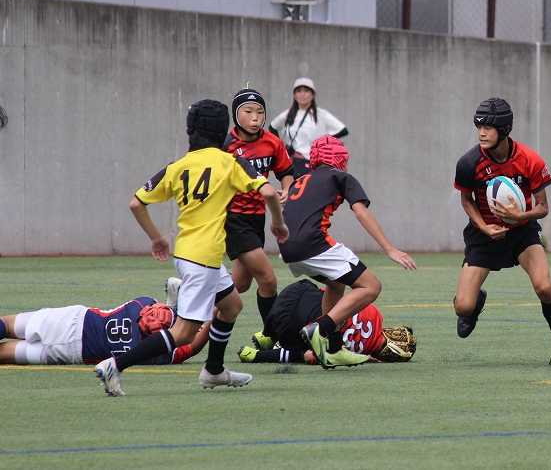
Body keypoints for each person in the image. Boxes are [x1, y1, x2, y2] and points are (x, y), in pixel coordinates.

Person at [93, 100, 289, 397]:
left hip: (187, 253)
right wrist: (278, 224)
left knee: (232, 305)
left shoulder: (178, 166)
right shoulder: (231, 162)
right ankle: (115, 365)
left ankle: (214, 371)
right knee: (184, 333)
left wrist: (156, 238)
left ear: (191, 131)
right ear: (223, 130)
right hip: (203, 260)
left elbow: (136, 203)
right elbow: (269, 193)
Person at [452, 98, 551, 367]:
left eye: (488, 127)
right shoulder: (468, 163)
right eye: (479, 127)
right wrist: (485, 227)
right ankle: (475, 302)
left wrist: (520, 217)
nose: (481, 133)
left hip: (522, 233)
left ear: (504, 129)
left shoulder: (530, 160)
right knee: (463, 306)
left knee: (545, 288)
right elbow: (466, 200)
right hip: (484, 236)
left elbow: (543, 207)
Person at [279, 135, 416, 369]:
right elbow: (361, 212)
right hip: (313, 243)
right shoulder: (341, 177)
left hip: (287, 249)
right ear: (339, 158)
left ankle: (333, 349)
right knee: (371, 286)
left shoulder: (301, 180)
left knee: (335, 283)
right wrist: (390, 249)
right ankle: (321, 328)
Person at [223, 88, 294, 347]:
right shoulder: (225, 146)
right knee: (268, 280)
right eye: (248, 111)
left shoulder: (272, 142)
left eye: (260, 112)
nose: (255, 117)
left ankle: (186, 302)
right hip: (233, 220)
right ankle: (273, 337)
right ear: (236, 115)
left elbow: (286, 171)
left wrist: (286, 189)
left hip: (257, 219)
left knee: (239, 285)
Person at [236, 279, 416, 365]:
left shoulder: (375, 314)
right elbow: (310, 357)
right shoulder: (355, 353)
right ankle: (258, 354)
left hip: (291, 295)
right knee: (306, 353)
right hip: (288, 333)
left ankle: (267, 334)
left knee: (319, 294)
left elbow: (330, 296)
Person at [0, 294, 205, 366]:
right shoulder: (158, 354)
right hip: (73, 352)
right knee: (6, 353)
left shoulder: (141, 303)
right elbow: (192, 345)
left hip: (74, 319)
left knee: (6, 325)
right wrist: (215, 317)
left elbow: (166, 311)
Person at [269, 77, 348, 176]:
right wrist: (283, 150)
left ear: (313, 94)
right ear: (294, 95)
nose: (302, 94)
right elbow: (272, 127)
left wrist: (322, 144)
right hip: (294, 162)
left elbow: (342, 130)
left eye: (306, 91)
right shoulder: (288, 114)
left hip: (315, 163)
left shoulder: (320, 114)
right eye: (298, 91)